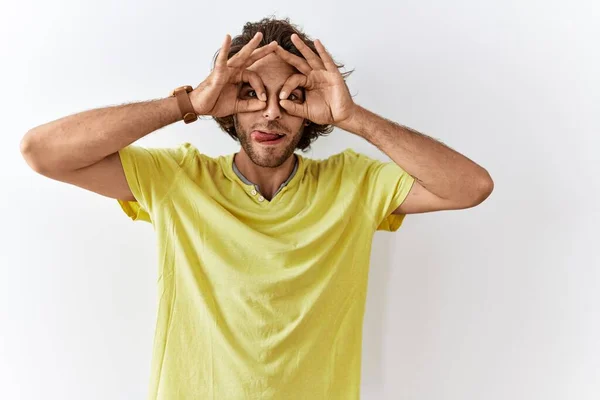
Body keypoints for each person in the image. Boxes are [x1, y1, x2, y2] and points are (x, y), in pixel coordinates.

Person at [20, 16, 493, 400]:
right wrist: (186, 102)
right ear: (226, 104)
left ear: (315, 105)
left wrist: (355, 118)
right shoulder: (178, 179)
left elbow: (470, 187)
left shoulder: (355, 183)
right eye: (249, 93)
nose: (270, 112)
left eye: (293, 96)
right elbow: (41, 152)